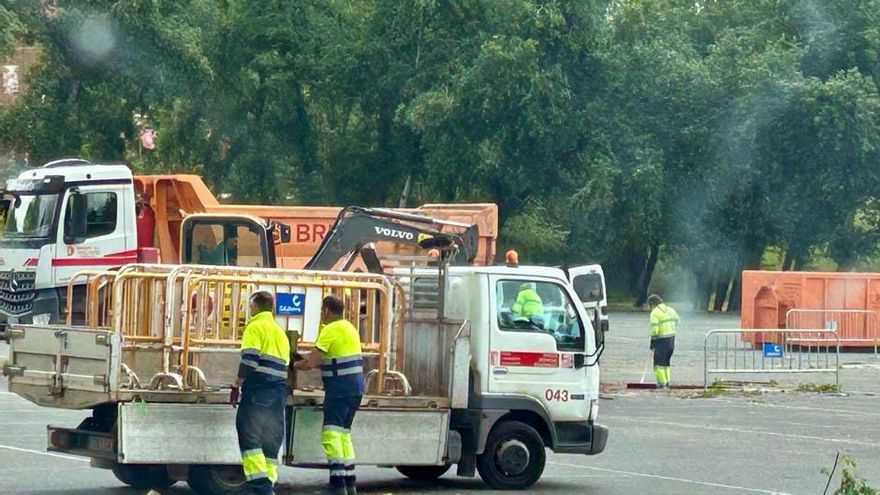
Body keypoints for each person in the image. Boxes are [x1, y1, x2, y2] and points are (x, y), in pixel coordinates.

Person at [295, 295, 364, 495]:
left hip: (340, 390)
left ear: (326, 310)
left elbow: (311, 363)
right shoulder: (350, 327)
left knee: (330, 435)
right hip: (355, 389)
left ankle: (337, 483)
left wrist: (294, 364)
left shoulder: (329, 330)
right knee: (344, 435)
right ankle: (350, 482)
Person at [231, 291, 290, 495]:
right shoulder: (279, 331)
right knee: (270, 442)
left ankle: (261, 488)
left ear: (256, 306)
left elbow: (249, 360)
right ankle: (268, 485)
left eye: (250, 305)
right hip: (278, 391)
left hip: (258, 391)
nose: (250, 309)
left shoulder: (255, 327)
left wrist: (237, 383)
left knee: (250, 437)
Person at [647, 294, 679, 388]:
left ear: (652, 304)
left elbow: (654, 330)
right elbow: (677, 320)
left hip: (661, 341)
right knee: (666, 362)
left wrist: (652, 342)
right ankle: (667, 381)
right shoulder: (671, 310)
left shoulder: (655, 313)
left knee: (658, 363)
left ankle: (662, 383)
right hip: (671, 340)